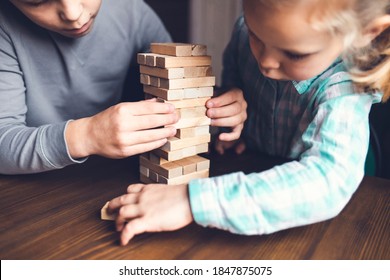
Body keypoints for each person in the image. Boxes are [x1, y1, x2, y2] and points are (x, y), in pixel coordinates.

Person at [108, 0, 390, 246]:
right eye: (256, 35)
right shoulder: (245, 32)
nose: (265, 61)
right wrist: (233, 117)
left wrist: (191, 201)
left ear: (367, 33)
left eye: (294, 54)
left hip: (326, 219)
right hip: (252, 164)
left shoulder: (346, 87)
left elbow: (327, 181)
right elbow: (235, 86)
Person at [0, 0, 247, 174]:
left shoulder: (132, 10)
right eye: (36, 1)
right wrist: (87, 135)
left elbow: (179, 93)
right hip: (33, 191)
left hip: (108, 177)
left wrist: (216, 110)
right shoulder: (5, 29)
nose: (73, 13)